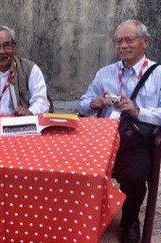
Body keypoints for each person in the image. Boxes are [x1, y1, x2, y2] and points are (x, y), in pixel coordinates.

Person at [78, 19, 161, 243]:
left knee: (134, 175)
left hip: (135, 139)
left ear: (145, 41)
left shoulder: (157, 74)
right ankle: (86, 215)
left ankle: (130, 220)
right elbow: (82, 105)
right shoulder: (105, 73)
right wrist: (94, 104)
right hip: (101, 138)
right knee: (75, 166)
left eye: (129, 40)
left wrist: (138, 111)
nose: (123, 46)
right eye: (119, 41)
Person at [0, 26, 50, 120]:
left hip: (20, 124)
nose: (2, 51)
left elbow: (42, 101)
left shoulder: (30, 69)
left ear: (14, 47)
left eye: (7, 46)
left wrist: (30, 112)